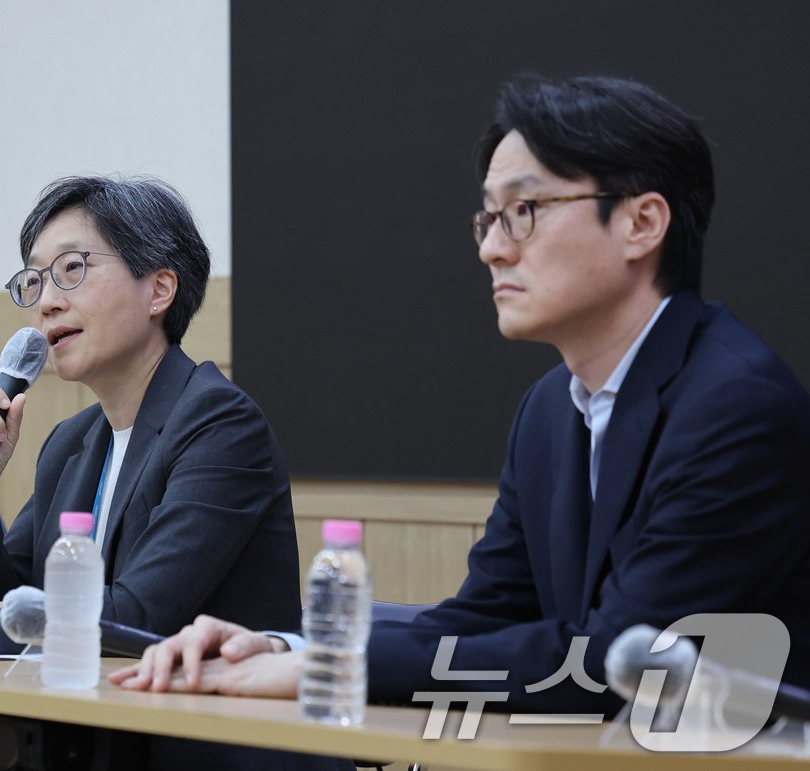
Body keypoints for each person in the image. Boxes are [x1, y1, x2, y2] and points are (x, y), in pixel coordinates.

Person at [113, 75, 810, 716]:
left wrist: (339, 665)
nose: (493, 249)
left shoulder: (734, 405)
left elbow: (617, 661)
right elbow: (485, 617)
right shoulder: (548, 409)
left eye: (525, 210)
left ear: (642, 223)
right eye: (489, 218)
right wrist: (290, 649)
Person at [0, 176, 331, 769]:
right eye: (35, 281)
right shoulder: (74, 441)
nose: (47, 302)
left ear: (159, 289)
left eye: (72, 270)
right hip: (98, 737)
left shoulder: (219, 422)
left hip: (212, 747)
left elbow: (135, 620)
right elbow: (14, 602)